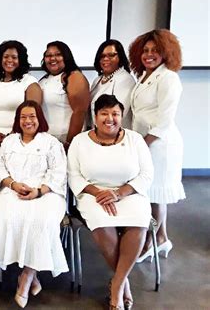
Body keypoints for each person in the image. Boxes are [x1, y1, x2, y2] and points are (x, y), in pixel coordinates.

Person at [68, 94, 153, 310]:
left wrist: (120, 193)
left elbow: (146, 174)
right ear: (95, 117)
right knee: (101, 222)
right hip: (92, 194)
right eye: (104, 113)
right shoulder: (80, 141)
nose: (110, 118)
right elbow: (74, 176)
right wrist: (97, 192)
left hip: (130, 193)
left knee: (138, 222)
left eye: (115, 113)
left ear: (122, 116)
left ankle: (117, 283)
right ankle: (122, 282)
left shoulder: (135, 139)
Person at [0, 101, 68, 308]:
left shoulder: (51, 142)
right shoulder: (9, 142)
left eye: (32, 116)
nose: (28, 121)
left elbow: (59, 173)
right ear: (18, 120)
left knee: (41, 220)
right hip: (13, 189)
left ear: (39, 118)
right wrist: (13, 184)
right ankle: (32, 274)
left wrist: (39, 191)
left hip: (47, 192)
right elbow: (0, 167)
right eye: (23, 117)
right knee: (10, 218)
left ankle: (26, 276)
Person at [129, 29, 185, 262]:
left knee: (155, 195)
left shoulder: (169, 78)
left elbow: (164, 120)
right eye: (145, 50)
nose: (149, 55)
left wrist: (143, 143)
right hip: (147, 141)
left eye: (155, 51)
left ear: (166, 53)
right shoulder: (145, 76)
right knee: (153, 195)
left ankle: (151, 242)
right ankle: (161, 238)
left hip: (159, 145)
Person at [0, 40, 42, 148]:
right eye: (6, 57)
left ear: (21, 60)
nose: (9, 60)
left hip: (21, 142)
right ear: (0, 58)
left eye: (14, 57)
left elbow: (33, 115)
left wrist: (11, 136)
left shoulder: (29, 82)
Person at [39, 41, 89, 150]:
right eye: (48, 55)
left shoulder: (74, 76)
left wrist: (69, 142)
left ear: (66, 57)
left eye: (58, 55)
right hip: (46, 142)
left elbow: (79, 112)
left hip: (66, 142)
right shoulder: (44, 80)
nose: (53, 58)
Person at [90, 39, 136, 129]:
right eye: (102, 56)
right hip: (98, 132)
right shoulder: (97, 80)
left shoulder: (125, 79)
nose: (106, 59)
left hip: (114, 134)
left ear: (120, 57)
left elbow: (118, 113)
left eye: (111, 55)